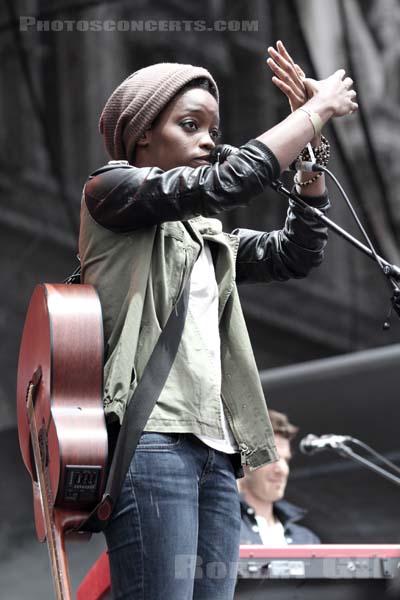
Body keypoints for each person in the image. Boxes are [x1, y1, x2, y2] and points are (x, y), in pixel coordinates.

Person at [78, 40, 357, 600]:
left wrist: (309, 163)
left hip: (215, 451)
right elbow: (226, 183)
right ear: (141, 136)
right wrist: (313, 112)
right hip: (153, 441)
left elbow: (294, 254)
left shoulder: (204, 235)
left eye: (213, 125)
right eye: (190, 124)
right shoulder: (110, 191)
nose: (209, 138)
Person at [238, 409, 320, 545]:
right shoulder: (223, 530)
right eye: (271, 458)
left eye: (286, 460)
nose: (282, 469)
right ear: (244, 463)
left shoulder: (307, 540)